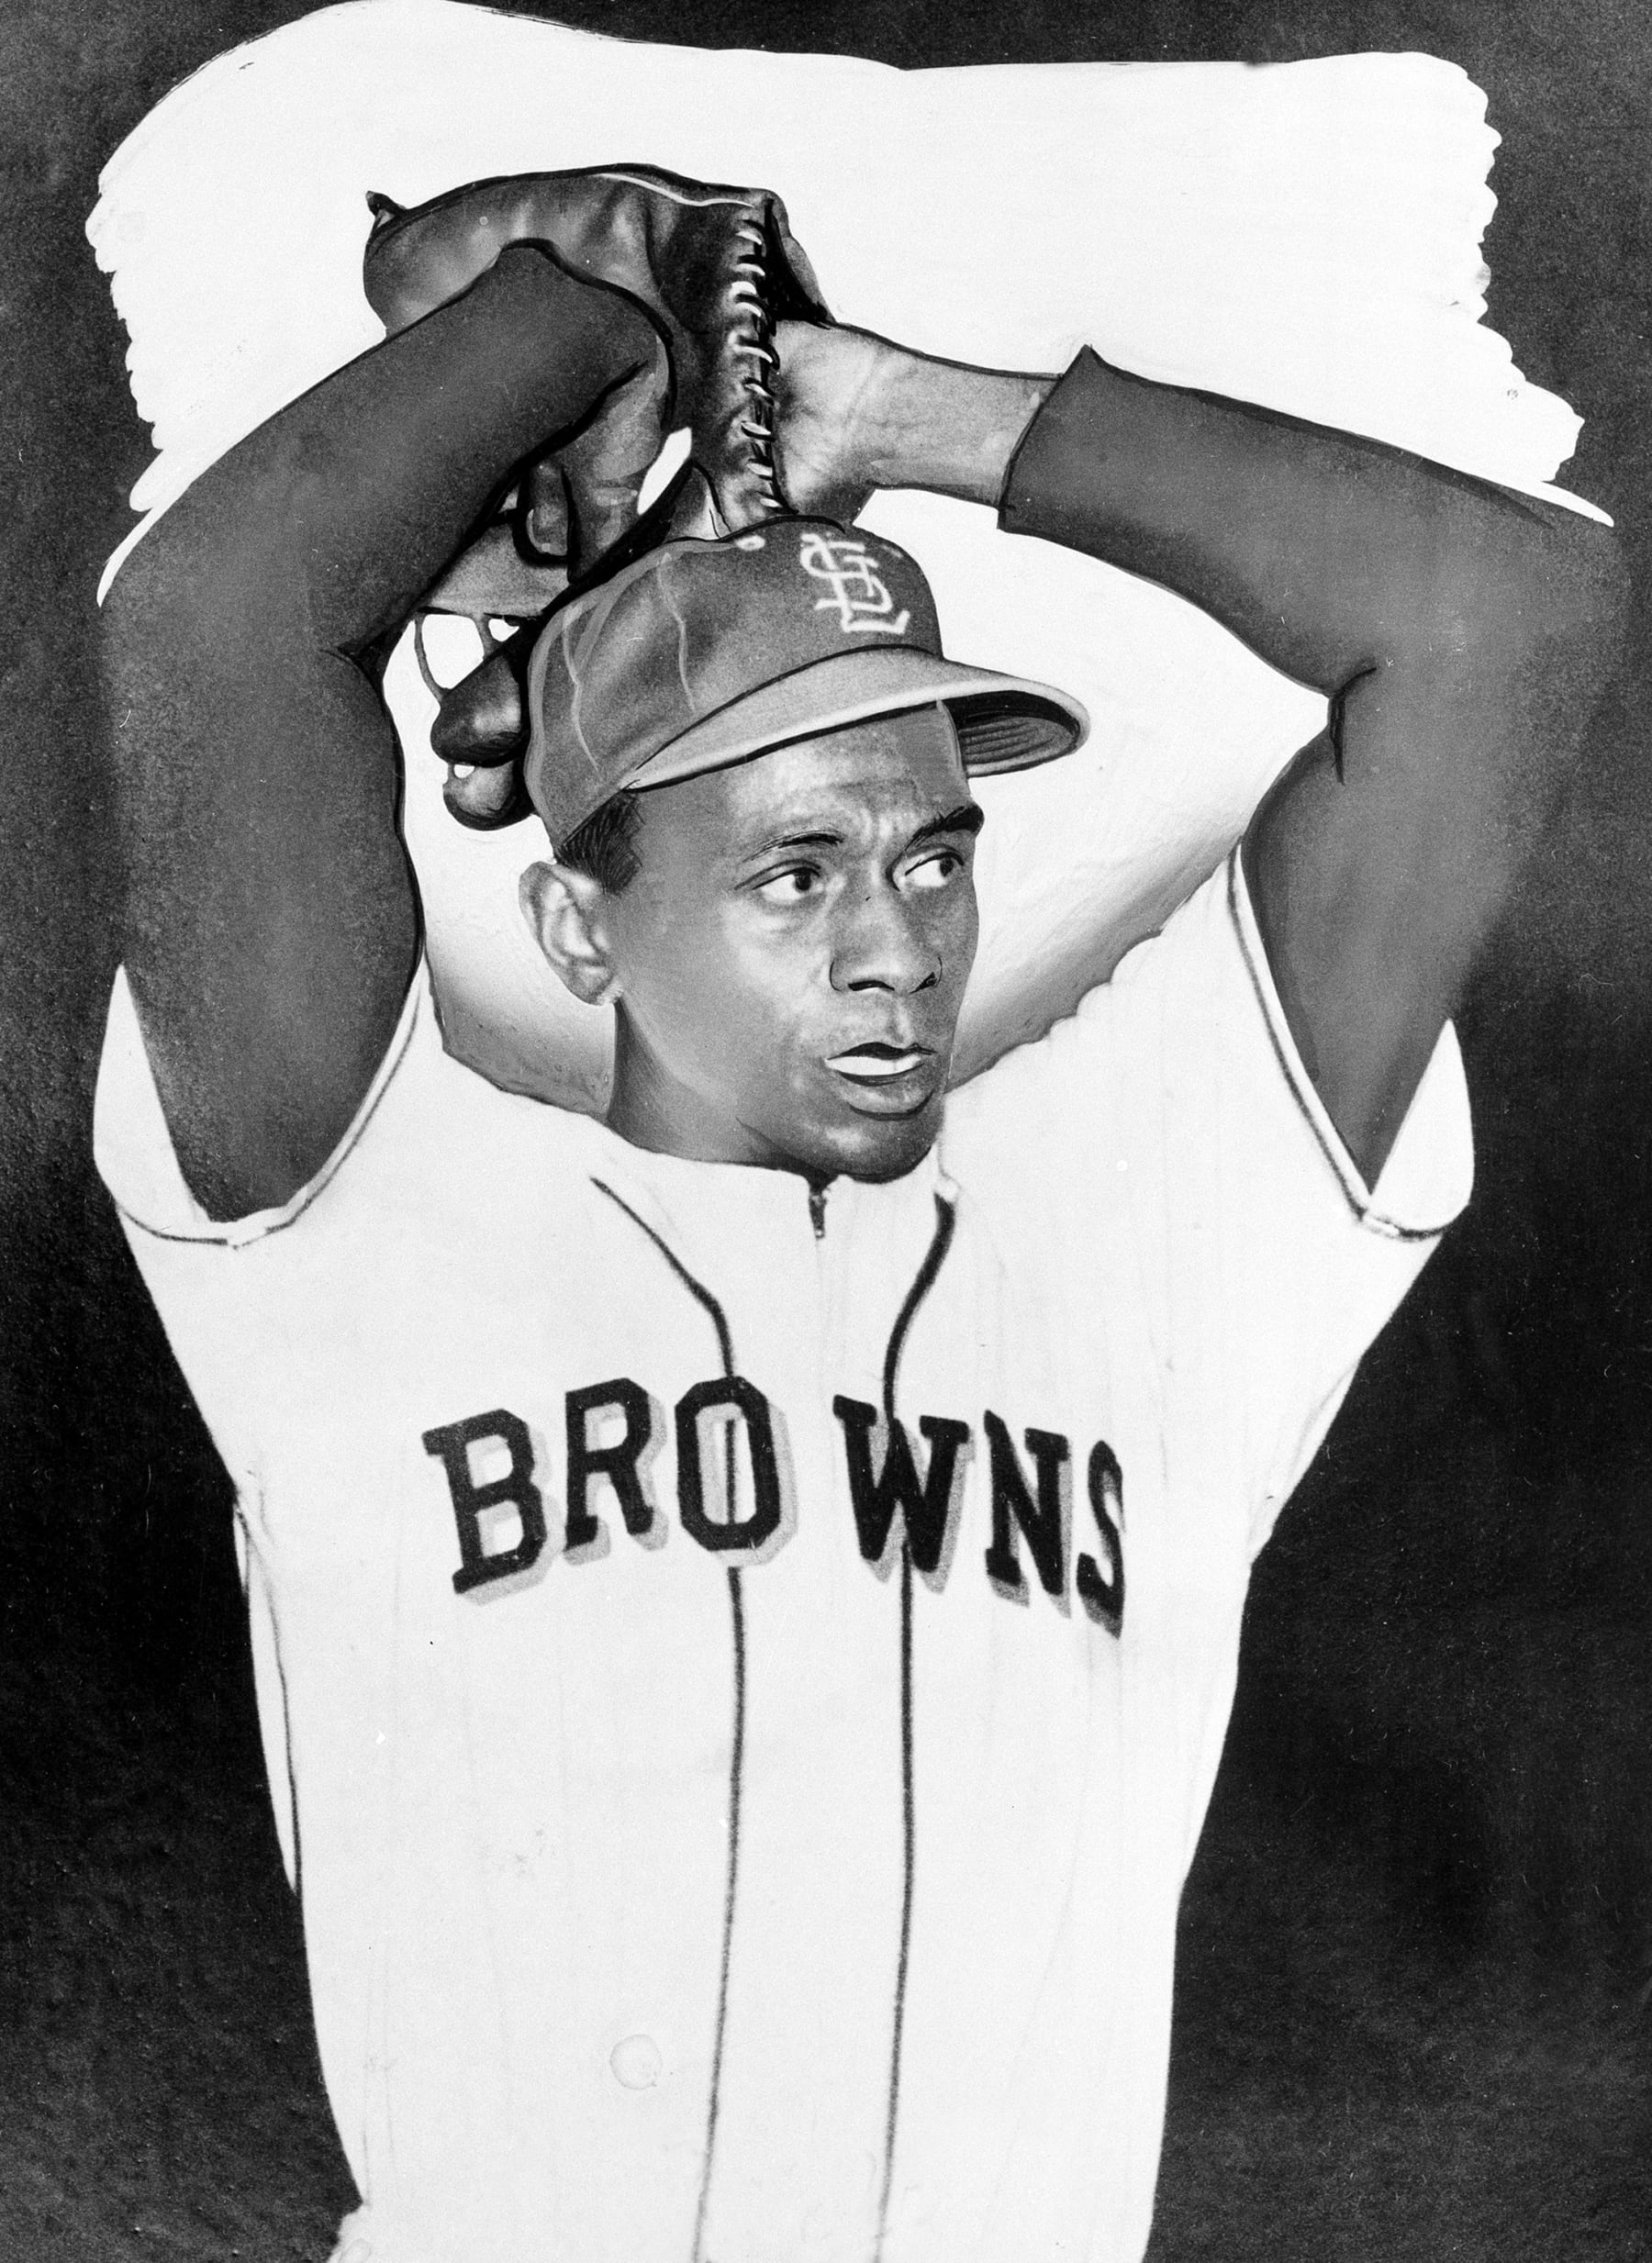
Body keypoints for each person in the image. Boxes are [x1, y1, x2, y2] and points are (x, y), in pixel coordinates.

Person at [92, 179, 1622, 2263]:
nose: (897, 949)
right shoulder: (371, 1225)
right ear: (578, 919)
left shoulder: (1145, 1227)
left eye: (932, 855)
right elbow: (207, 624)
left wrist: (888, 413)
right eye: (795, 871)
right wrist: (585, 330)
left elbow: (1503, 619)